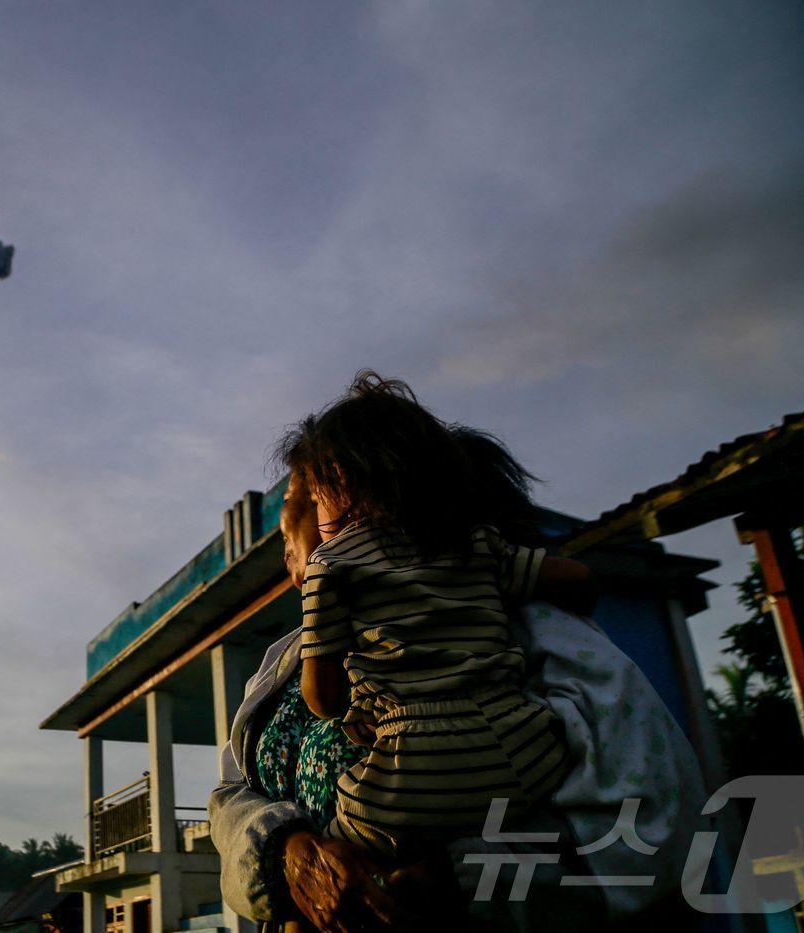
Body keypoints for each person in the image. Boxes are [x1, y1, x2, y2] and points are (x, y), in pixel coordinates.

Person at [209, 421, 708, 932]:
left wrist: (461, 880)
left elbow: (649, 839)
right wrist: (287, 853)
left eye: (307, 498)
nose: (289, 526)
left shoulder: (528, 634)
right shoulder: (286, 661)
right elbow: (231, 796)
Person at [279, 372, 595, 857]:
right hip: (525, 754)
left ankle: (416, 884)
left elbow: (321, 697)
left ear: (340, 486)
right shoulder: (478, 545)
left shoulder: (333, 566)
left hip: (411, 769)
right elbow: (579, 580)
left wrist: (353, 701)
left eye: (315, 499)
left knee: (335, 855)